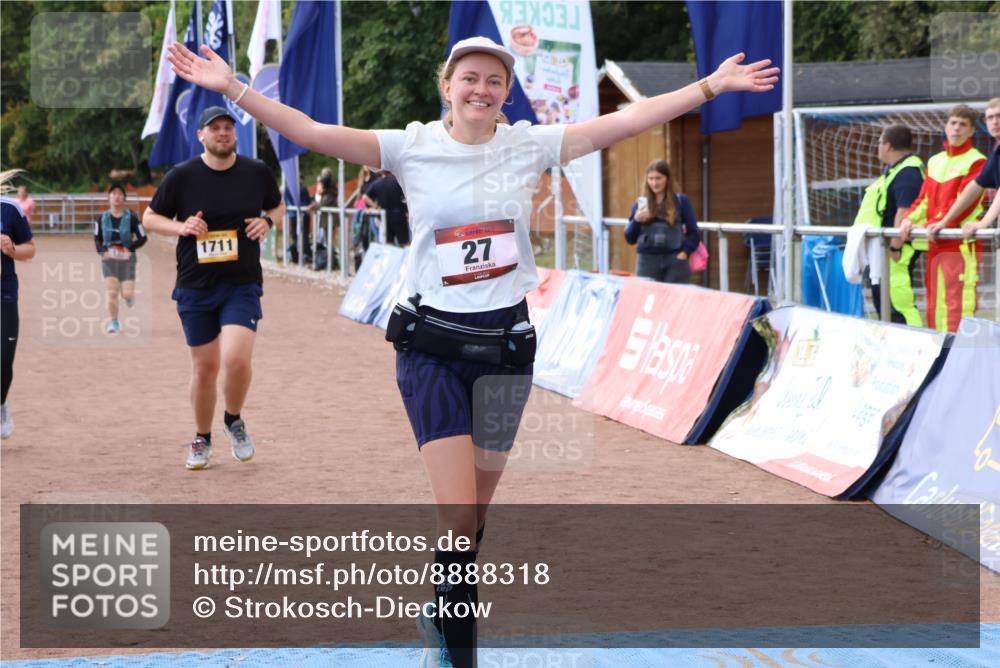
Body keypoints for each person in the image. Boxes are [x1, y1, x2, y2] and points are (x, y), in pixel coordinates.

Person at [167, 35, 777, 666]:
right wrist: (233, 88)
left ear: (506, 94)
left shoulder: (529, 146)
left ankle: (438, 609)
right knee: (459, 516)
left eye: (494, 81)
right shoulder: (412, 146)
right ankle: (462, 652)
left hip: (506, 350)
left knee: (474, 521)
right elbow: (313, 130)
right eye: (470, 78)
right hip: (431, 348)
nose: (481, 90)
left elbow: (625, 120)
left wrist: (709, 87)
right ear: (447, 86)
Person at [142, 106, 285, 470]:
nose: (223, 133)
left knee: (236, 358)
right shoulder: (182, 177)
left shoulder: (256, 172)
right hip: (196, 286)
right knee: (205, 368)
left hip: (241, 283)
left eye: (228, 128)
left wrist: (267, 221)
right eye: (215, 128)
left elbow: (279, 206)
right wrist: (182, 227)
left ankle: (233, 420)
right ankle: (201, 437)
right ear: (201, 135)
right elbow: (149, 217)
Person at [899, 105, 986, 332]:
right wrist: (908, 218)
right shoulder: (935, 161)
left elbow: (967, 202)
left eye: (963, 124)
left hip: (960, 243)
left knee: (959, 305)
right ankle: (941, 359)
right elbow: (923, 199)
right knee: (935, 305)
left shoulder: (977, 161)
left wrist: (940, 221)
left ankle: (960, 361)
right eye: (953, 123)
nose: (956, 128)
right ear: (945, 127)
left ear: (971, 132)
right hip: (936, 240)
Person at [852, 125, 924, 325]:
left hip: (896, 252)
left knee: (899, 305)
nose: (878, 147)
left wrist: (895, 246)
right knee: (884, 304)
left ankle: (916, 349)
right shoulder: (897, 170)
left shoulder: (908, 172)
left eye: (879, 142)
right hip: (885, 250)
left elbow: (905, 211)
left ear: (888, 146)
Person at [927, 98, 1000, 243]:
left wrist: (982, 223)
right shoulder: (997, 154)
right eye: (990, 117)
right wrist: (944, 221)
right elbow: (975, 186)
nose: (995, 121)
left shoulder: (978, 158)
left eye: (999, 116)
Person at [1, 170, 37, 439]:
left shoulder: (10, 209)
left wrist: (12, 249)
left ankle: (1, 404)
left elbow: (30, 249)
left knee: (4, 360)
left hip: (5, 294)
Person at [623, 159, 699, 284]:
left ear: (667, 179)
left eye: (658, 178)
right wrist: (636, 220)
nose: (654, 183)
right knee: (648, 300)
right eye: (651, 179)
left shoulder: (681, 201)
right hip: (647, 262)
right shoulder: (640, 204)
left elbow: (694, 233)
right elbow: (630, 238)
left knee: (675, 301)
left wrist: (685, 253)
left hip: (675, 261)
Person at [94, 184, 147, 334]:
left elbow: (143, 237)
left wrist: (129, 248)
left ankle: (129, 297)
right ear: (109, 197)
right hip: (109, 259)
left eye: (120, 194)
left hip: (127, 259)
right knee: (112, 292)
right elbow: (97, 238)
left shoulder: (132, 217)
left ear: (124, 198)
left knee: (127, 294)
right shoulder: (102, 218)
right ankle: (114, 322)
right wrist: (102, 251)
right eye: (113, 193)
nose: (116, 196)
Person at [366, 170, 410, 246]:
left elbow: (365, 197)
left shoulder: (377, 183)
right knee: (405, 244)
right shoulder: (398, 182)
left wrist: (376, 207)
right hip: (399, 216)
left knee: (388, 245)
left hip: (385, 217)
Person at [285, 176, 312, 265]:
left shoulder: (287, 188)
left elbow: (286, 201)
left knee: (296, 235)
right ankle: (303, 255)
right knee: (303, 235)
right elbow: (307, 201)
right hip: (302, 214)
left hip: (293, 214)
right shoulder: (303, 188)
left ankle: (298, 255)